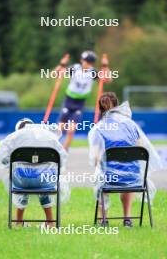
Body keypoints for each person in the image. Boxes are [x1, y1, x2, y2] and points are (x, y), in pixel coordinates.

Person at [88, 92, 162, 227]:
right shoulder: (131, 125)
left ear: (100, 109)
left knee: (99, 175)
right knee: (128, 171)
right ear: (117, 105)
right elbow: (141, 149)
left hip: (110, 178)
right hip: (133, 178)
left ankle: (102, 219)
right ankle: (127, 218)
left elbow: (95, 159)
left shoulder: (98, 128)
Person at [0, 118, 68, 227]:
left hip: (21, 182)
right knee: (44, 180)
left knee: (21, 177)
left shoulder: (14, 138)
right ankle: (50, 222)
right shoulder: (48, 136)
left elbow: (2, 158)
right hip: (45, 181)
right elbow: (62, 159)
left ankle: (19, 221)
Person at [54, 51, 112, 150]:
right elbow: (56, 74)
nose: (87, 64)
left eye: (90, 62)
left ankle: (64, 150)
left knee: (71, 130)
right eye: (86, 61)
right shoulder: (74, 68)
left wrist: (105, 66)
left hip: (80, 103)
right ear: (81, 60)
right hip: (69, 100)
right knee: (60, 127)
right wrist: (62, 64)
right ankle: (53, 146)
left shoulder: (92, 72)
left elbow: (108, 79)